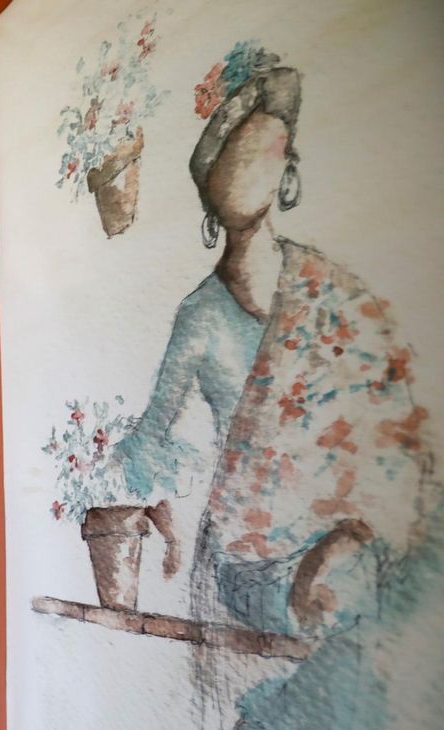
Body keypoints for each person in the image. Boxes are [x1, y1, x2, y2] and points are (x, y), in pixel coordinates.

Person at [111, 48, 433, 636]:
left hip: (354, 535)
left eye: (261, 150)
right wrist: (157, 505)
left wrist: (350, 534)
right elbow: (152, 436)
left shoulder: (333, 290)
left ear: (288, 175)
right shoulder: (200, 316)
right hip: (249, 559)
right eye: (228, 151)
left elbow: (393, 424)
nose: (243, 165)